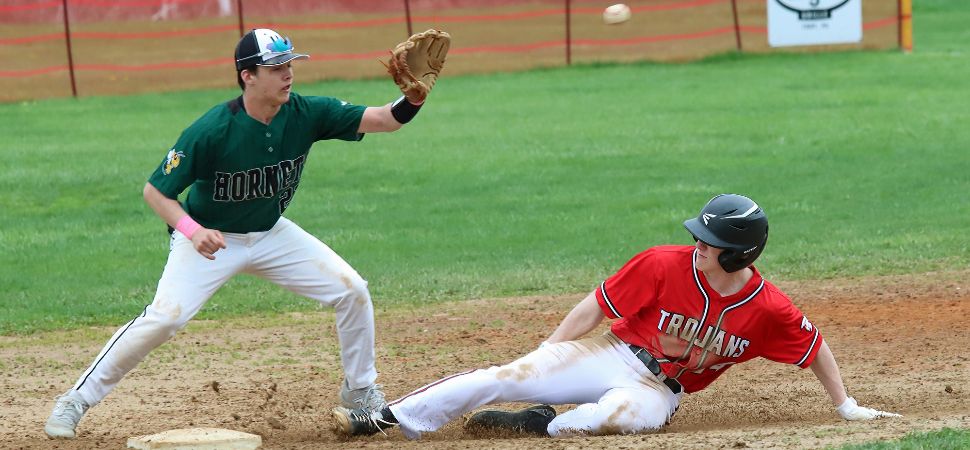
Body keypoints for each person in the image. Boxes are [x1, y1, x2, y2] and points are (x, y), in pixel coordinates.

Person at [44, 28, 433, 439]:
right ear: (247, 76)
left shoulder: (305, 112)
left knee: (351, 289)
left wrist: (414, 99)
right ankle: (76, 400)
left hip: (270, 233)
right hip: (211, 240)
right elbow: (156, 192)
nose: (288, 74)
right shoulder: (213, 129)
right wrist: (193, 231)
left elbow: (384, 120)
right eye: (276, 68)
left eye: (289, 65)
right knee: (163, 319)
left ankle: (361, 393)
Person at [332, 194, 901, 439]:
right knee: (501, 378)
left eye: (709, 241)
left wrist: (844, 405)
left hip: (662, 388)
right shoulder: (662, 263)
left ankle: (544, 425)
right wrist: (546, 354)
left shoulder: (768, 308)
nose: (697, 246)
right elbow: (593, 308)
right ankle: (388, 419)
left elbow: (813, 346)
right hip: (609, 352)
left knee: (617, 418)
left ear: (739, 254)